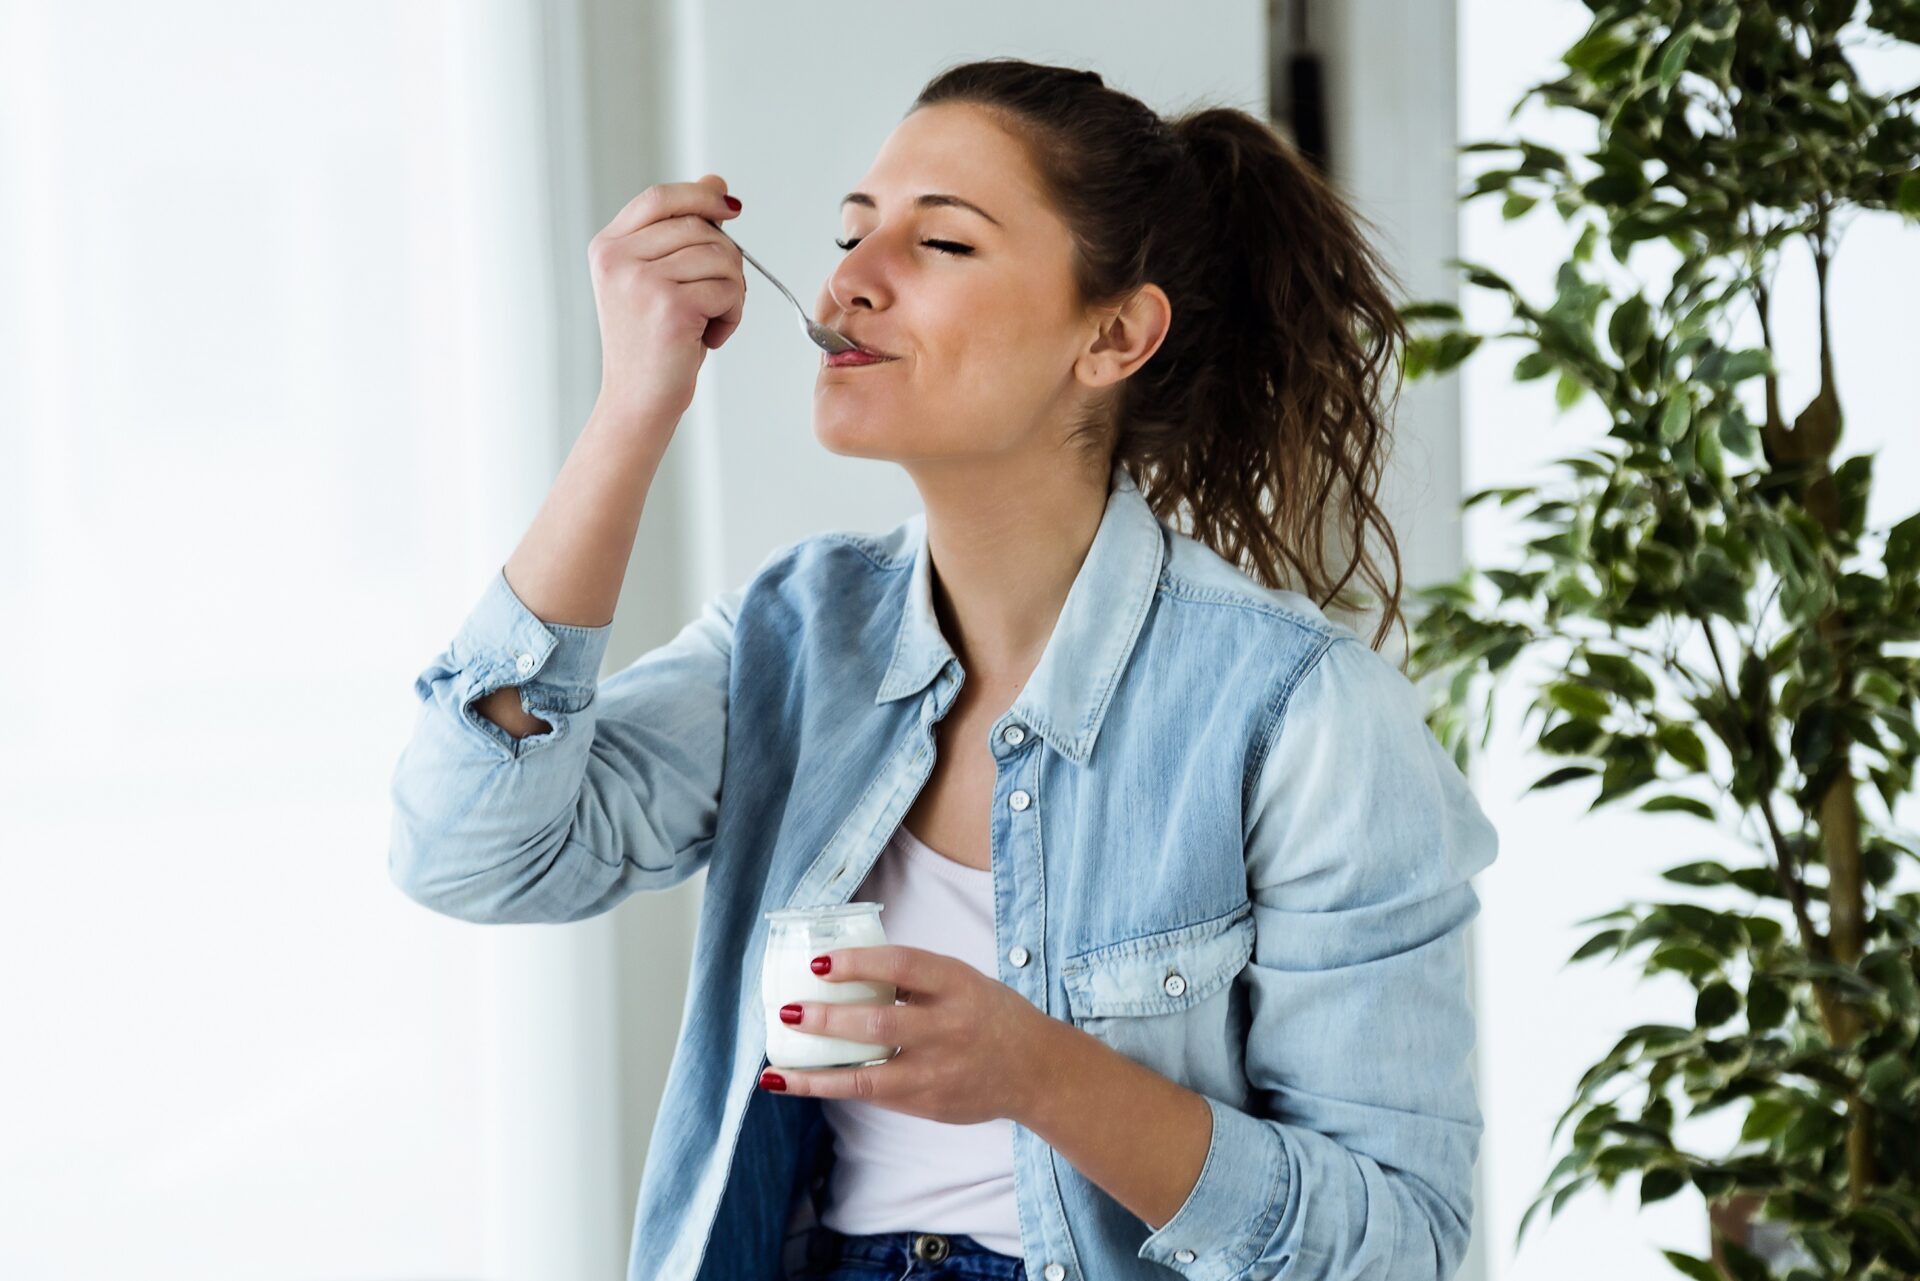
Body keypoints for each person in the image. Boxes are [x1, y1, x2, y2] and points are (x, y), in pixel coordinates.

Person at [389, 56, 1499, 1281]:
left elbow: (1401, 1245)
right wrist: (633, 408)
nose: (849, 281)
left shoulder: (1302, 713)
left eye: (942, 245)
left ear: (1114, 333)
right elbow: (471, 852)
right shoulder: (794, 636)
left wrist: (1037, 1073)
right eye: (852, 233)